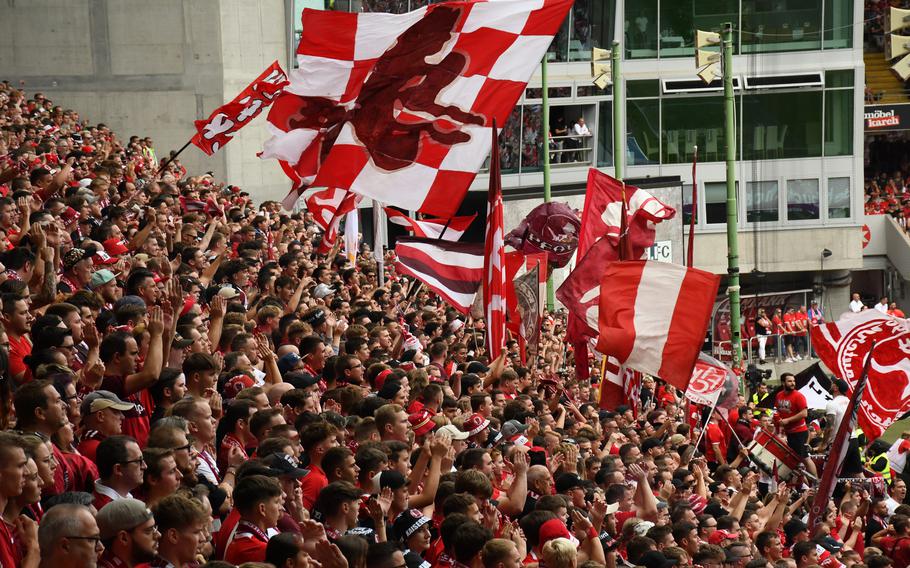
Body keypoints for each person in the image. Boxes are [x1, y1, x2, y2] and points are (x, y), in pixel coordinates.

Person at [774, 373, 816, 477]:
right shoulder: (779, 395)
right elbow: (778, 411)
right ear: (783, 383)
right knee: (792, 459)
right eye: (790, 381)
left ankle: (816, 481)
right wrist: (777, 421)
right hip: (788, 433)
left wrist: (788, 420)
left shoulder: (798, 396)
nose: (793, 383)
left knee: (804, 458)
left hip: (799, 432)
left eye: (793, 381)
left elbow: (804, 413)